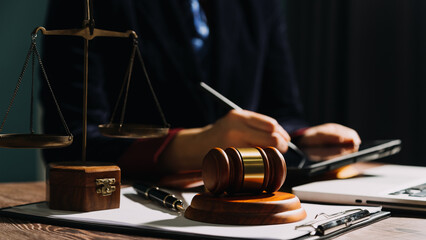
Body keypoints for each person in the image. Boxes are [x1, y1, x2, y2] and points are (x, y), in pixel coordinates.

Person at [41, 0, 360, 181]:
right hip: (132, 203)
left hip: (242, 191)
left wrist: (299, 138)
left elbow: (283, 111)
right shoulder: (85, 5)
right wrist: (201, 144)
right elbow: (70, 139)